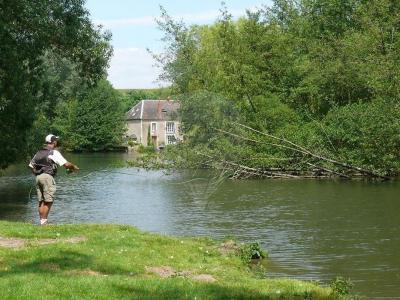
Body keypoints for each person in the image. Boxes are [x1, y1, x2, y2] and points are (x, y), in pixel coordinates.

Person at [29, 134, 79, 225]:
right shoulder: (53, 152)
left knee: (41, 201)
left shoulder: (39, 152)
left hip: (38, 177)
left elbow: (31, 165)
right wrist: (74, 167)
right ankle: (44, 223)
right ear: (54, 142)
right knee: (48, 201)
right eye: (56, 141)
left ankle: (42, 222)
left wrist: (37, 174)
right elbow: (66, 164)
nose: (57, 142)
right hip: (48, 177)